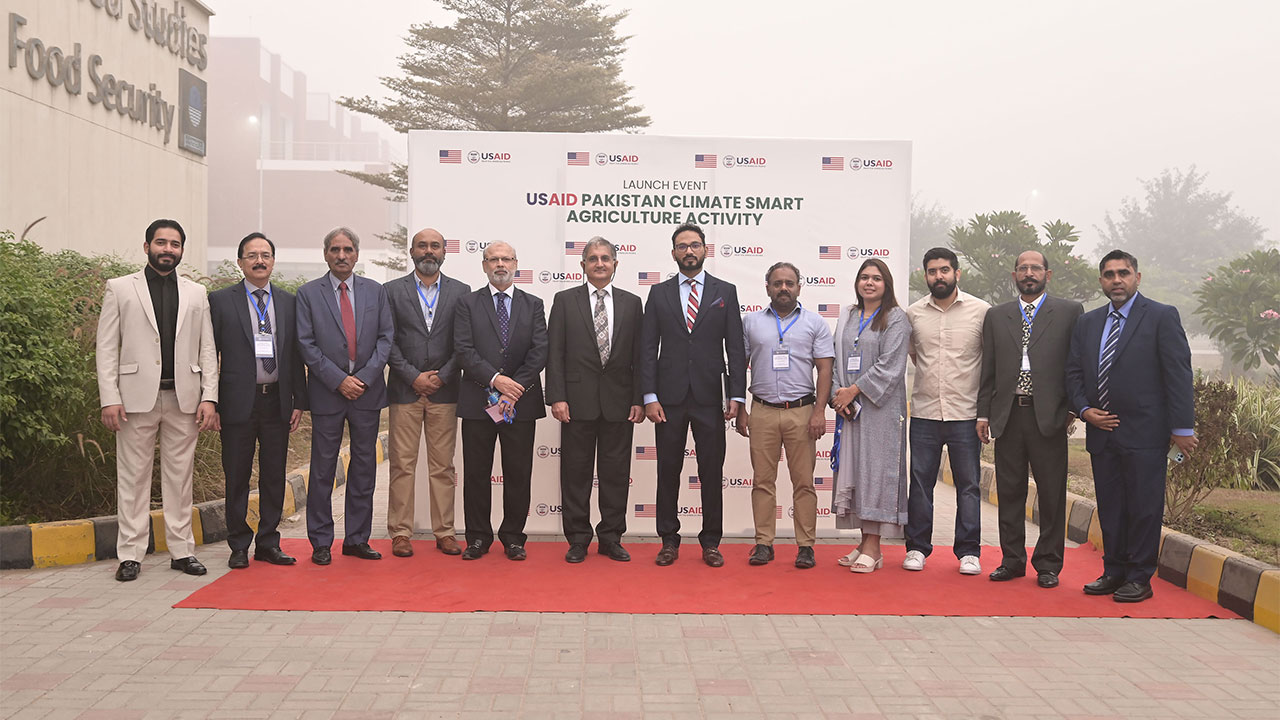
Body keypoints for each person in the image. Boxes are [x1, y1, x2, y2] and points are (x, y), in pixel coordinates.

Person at [1065, 250, 1196, 603]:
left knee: (1143, 507)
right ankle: (1114, 571)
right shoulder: (1088, 323)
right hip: (1101, 433)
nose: (1116, 280)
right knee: (1111, 507)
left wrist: (1182, 427)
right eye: (1109, 274)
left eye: (1123, 273)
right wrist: (1083, 409)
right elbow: (1074, 373)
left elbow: (1178, 374)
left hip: (1146, 433)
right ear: (1101, 281)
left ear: (1137, 277)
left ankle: (1139, 576)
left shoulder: (1161, 317)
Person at [96, 219, 218, 582]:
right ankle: (130, 555)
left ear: (182, 249)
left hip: (184, 398)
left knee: (180, 479)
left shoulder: (196, 293)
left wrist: (209, 395)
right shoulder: (120, 288)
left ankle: (182, 551)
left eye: (175, 244)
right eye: (161, 243)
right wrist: (109, 398)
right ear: (146, 246)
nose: (168, 249)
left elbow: (207, 349)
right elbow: (105, 348)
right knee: (133, 478)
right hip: (134, 400)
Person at [640, 223, 747, 568]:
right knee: (667, 470)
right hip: (667, 398)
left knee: (711, 471)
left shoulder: (725, 292)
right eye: (682, 246)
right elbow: (646, 348)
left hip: (710, 397)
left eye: (695, 245)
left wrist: (737, 395)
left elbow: (735, 346)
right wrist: (649, 395)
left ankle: (711, 542)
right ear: (673, 253)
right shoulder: (658, 293)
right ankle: (668, 541)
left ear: (705, 250)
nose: (689, 251)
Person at [976, 251, 1083, 588]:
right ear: (1014, 275)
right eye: (1023, 268)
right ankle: (1012, 560)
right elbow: (988, 369)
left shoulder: (1068, 312)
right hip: (1008, 415)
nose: (1029, 273)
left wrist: (1071, 410)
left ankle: (1048, 564)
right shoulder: (997, 316)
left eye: (1035, 268)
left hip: (1049, 417)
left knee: (1051, 493)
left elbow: (1076, 366)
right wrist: (983, 413)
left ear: (1047, 274)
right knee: (1010, 491)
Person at [209, 232, 309, 569]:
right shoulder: (221, 301)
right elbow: (210, 355)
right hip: (237, 402)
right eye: (252, 255)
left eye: (265, 255)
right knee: (236, 475)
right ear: (240, 262)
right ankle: (238, 544)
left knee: (273, 475)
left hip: (276, 401)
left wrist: (299, 401)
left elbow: (295, 355)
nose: (259, 260)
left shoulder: (288, 301)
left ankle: (268, 541)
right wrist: (212, 401)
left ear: (273, 261)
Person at [295, 227, 394, 565]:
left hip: (366, 394)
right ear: (326, 254)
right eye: (335, 249)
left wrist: (362, 379)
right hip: (327, 394)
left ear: (356, 254)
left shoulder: (375, 292)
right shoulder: (308, 294)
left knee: (364, 469)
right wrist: (339, 381)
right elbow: (306, 345)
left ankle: (356, 539)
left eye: (348, 249)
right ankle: (321, 542)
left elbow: (386, 339)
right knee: (322, 470)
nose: (341, 255)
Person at [545, 237, 644, 563]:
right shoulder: (564, 300)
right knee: (576, 474)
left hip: (619, 403)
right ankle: (578, 539)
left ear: (616, 264)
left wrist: (638, 398)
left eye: (605, 258)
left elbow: (640, 358)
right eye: (593, 259)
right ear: (583, 265)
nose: (599, 263)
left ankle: (611, 537)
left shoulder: (632, 303)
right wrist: (557, 396)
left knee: (616, 474)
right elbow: (554, 353)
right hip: (576, 402)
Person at [735, 262, 833, 569]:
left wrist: (819, 410)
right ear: (767, 287)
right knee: (763, 481)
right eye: (777, 283)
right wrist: (740, 407)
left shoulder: (815, 323)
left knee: (803, 483)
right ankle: (764, 543)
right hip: (762, 411)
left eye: (790, 283)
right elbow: (738, 365)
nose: (784, 288)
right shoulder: (750, 322)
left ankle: (806, 545)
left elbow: (825, 368)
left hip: (802, 412)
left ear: (799, 287)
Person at [454, 241, 548, 561]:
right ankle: (478, 538)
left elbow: (539, 352)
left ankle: (513, 538)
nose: (500, 264)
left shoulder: (534, 304)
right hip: (478, 402)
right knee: (477, 474)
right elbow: (464, 350)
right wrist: (496, 380)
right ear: (483, 265)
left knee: (518, 473)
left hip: (520, 404)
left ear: (516, 263)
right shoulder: (467, 303)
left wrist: (514, 387)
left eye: (506, 259)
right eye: (493, 259)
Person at [903, 247, 991, 575]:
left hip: (966, 414)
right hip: (925, 411)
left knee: (968, 485)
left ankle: (969, 551)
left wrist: (985, 413)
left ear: (957, 273)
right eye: (932, 271)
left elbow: (989, 362)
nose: (938, 276)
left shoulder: (981, 312)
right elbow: (915, 356)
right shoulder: (913, 314)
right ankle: (916, 548)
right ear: (924, 275)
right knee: (920, 483)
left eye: (944, 270)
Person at [385, 228, 471, 557]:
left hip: (445, 392)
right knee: (402, 466)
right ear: (411, 251)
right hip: (405, 391)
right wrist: (412, 376)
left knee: (442, 467)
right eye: (422, 245)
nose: (429, 251)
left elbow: (463, 343)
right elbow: (387, 340)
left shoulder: (461, 292)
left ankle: (445, 532)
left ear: (444, 252)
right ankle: (401, 533)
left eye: (435, 246)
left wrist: (441, 376)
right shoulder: (391, 291)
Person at [828, 259, 911, 573]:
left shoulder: (897, 318)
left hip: (880, 410)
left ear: (886, 284)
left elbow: (892, 366)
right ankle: (864, 543)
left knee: (876, 473)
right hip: (850, 410)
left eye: (876, 278)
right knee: (857, 473)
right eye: (864, 277)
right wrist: (839, 393)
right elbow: (836, 359)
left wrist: (854, 390)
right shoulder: (849, 315)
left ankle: (875, 546)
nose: (869, 283)